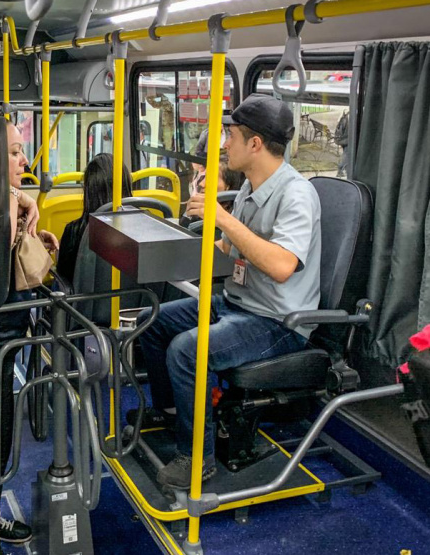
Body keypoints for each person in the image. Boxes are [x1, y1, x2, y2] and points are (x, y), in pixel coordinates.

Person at [135, 94, 321, 490]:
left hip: (278, 320)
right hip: (238, 302)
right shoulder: (251, 190)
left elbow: (281, 266)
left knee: (187, 349)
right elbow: (229, 252)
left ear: (255, 144)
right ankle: (173, 411)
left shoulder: (296, 194)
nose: (224, 145)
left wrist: (222, 219)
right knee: (151, 321)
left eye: (230, 135)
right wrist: (181, 242)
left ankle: (199, 460)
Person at [0, 121, 58, 552]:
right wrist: (17, 204)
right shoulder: (1, 208)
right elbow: (3, 267)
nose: (23, 161)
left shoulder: (4, 201)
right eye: (14, 153)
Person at [56, 153, 132, 283]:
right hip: (142, 302)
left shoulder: (74, 232)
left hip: (87, 303)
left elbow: (64, 277)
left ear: (88, 191)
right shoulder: (140, 231)